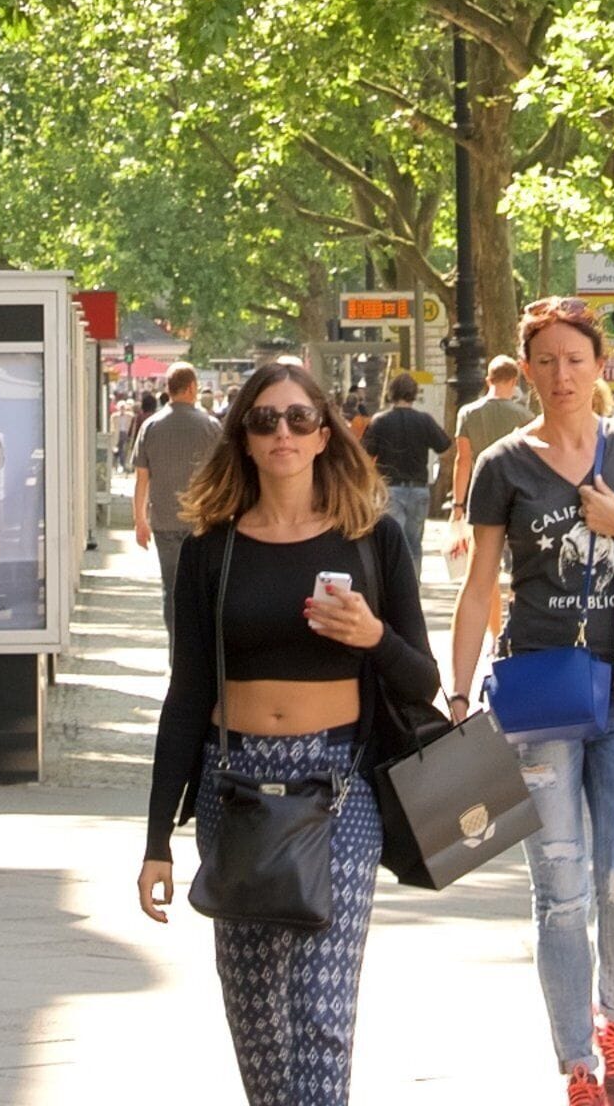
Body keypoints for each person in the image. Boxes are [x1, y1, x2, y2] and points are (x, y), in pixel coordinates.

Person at [137, 357, 437, 1106]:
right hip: (231, 785)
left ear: (325, 433)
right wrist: (154, 841)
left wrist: (372, 636)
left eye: (300, 418)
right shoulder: (213, 549)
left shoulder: (374, 540)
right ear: (241, 435)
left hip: (336, 789)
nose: (284, 433)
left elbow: (423, 681)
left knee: (321, 1015)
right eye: (266, 419)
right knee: (258, 1020)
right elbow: (187, 694)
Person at [447, 296, 614, 1106]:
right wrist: (456, 696)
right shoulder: (503, 467)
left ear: (602, 367)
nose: (561, 375)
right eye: (546, 362)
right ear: (526, 371)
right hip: (540, 693)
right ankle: (579, 1064)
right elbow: (481, 584)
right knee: (560, 890)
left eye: (576, 360)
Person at [131, 363, 223, 597]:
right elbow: (222, 477)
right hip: (202, 521)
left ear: (169, 389)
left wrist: (140, 521)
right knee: (202, 590)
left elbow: (141, 479)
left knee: (172, 590)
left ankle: (175, 634)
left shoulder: (149, 427)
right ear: (192, 387)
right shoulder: (211, 427)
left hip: (164, 521)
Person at [361, 374, 451, 558]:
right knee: (414, 543)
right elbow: (444, 446)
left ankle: (395, 584)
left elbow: (365, 455)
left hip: (390, 488)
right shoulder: (424, 420)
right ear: (414, 394)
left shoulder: (380, 420)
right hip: (419, 488)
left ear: (391, 393)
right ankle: (414, 585)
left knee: (393, 543)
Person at [448, 355, 533, 544]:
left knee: (483, 550)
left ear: (488, 380)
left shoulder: (467, 413)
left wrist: (458, 504)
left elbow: (462, 460)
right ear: (514, 381)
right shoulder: (525, 416)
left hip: (481, 490)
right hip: (516, 492)